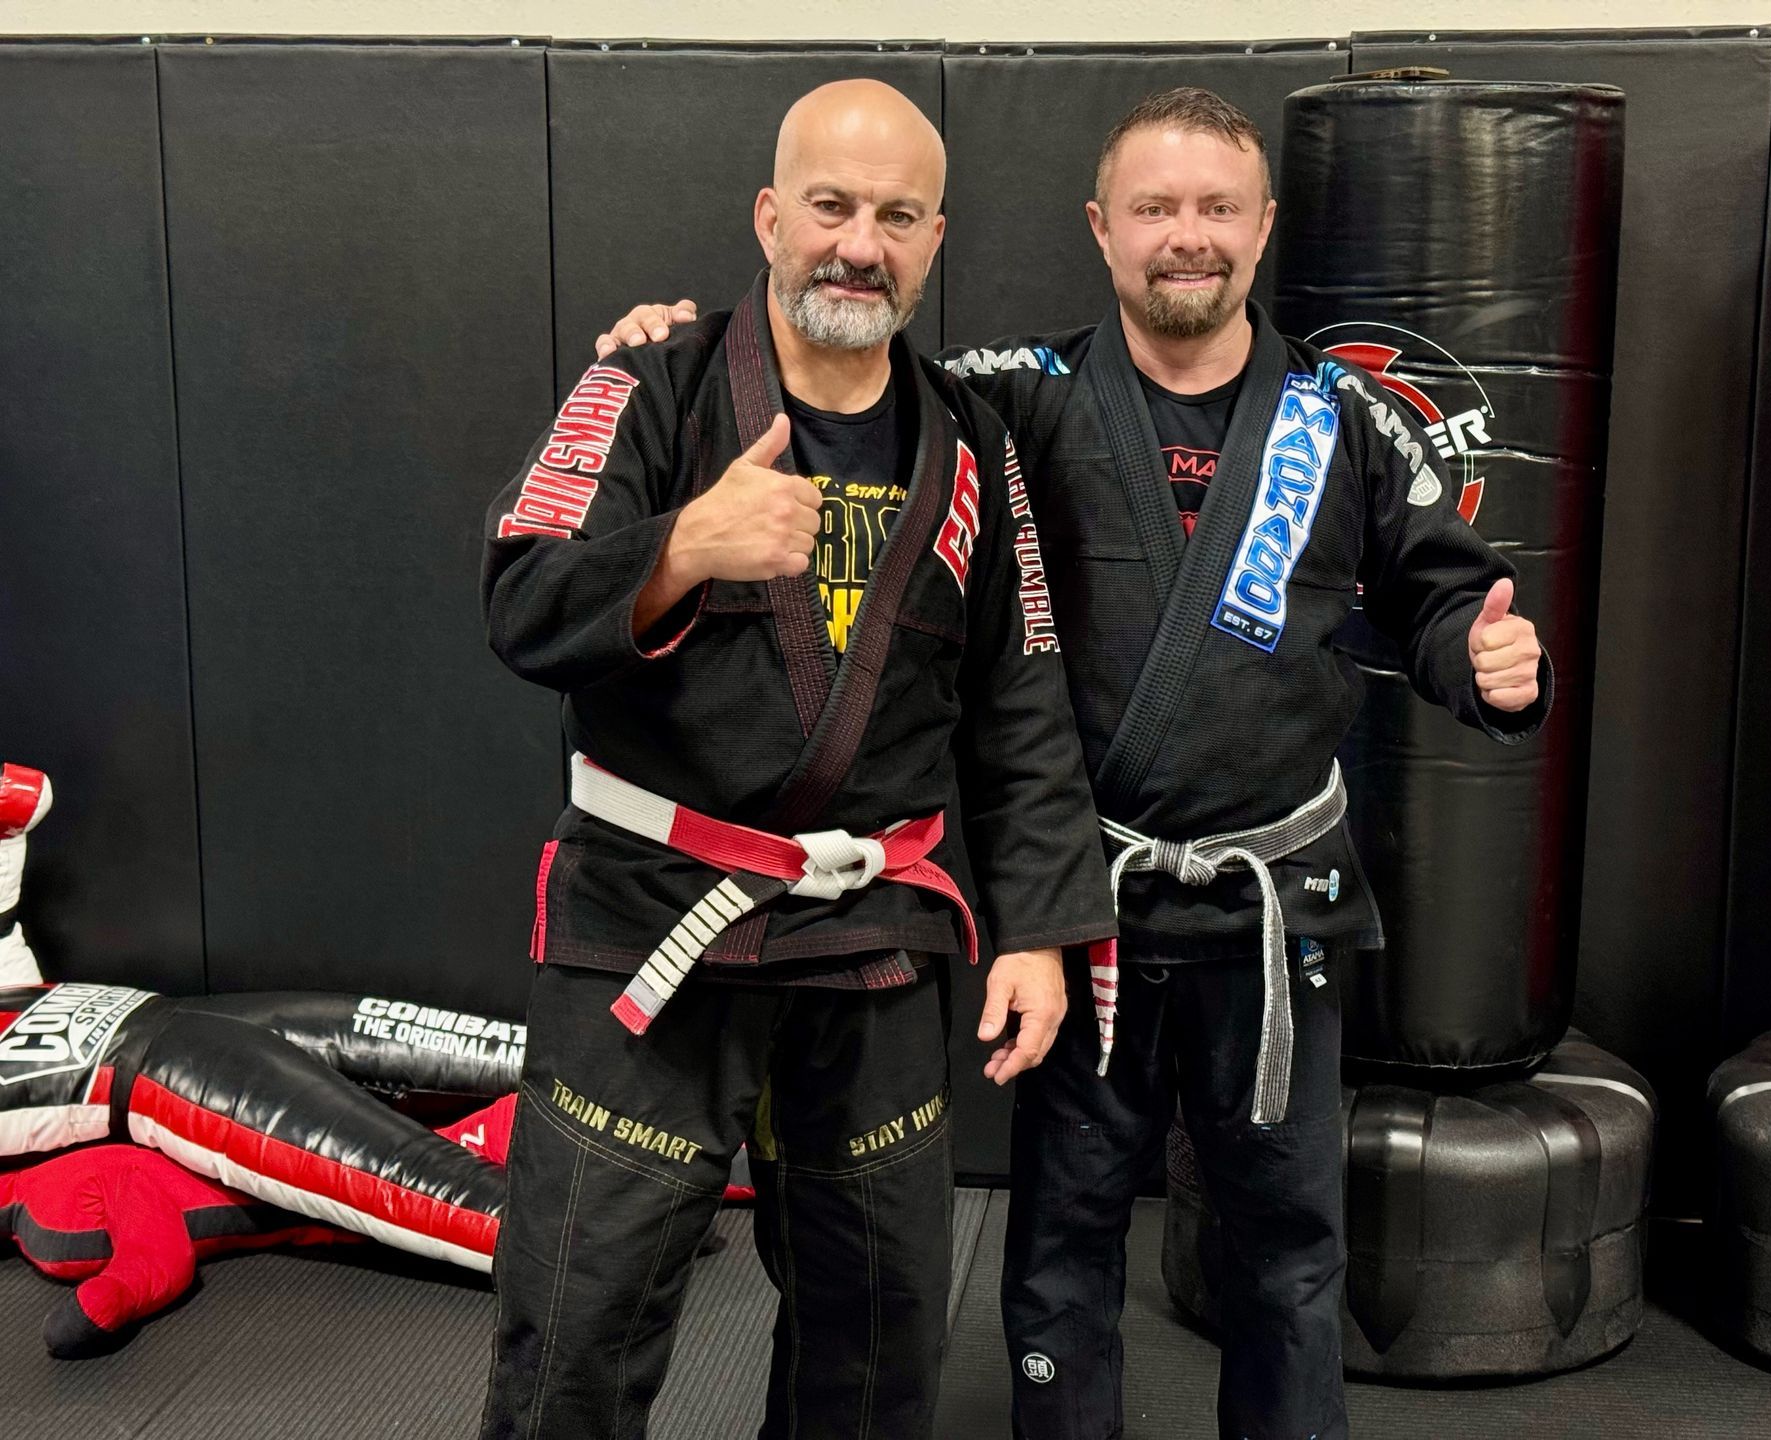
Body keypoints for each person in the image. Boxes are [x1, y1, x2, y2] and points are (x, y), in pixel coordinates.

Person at [601, 86, 1548, 1440]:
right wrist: (675, 347)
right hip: (1087, 912)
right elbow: (836, 359)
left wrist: (1486, 662)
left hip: (1275, 911)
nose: (1188, 237)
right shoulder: (1010, 403)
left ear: (1263, 226)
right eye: (1155, 209)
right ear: (1100, 231)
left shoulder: (1340, 418)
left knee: (1288, 1249)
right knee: (1062, 1244)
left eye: (1217, 207)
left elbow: (1445, 596)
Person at [483, 79, 1115, 1440]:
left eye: (896, 217)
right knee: (577, 1331)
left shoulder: (974, 448)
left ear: (934, 239)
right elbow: (520, 598)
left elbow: (1022, 702)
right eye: (831, 206)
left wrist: (1042, 930)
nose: (859, 244)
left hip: (870, 936)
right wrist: (684, 548)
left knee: (880, 1344)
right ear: (771, 217)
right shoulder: (649, 381)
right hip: (650, 929)